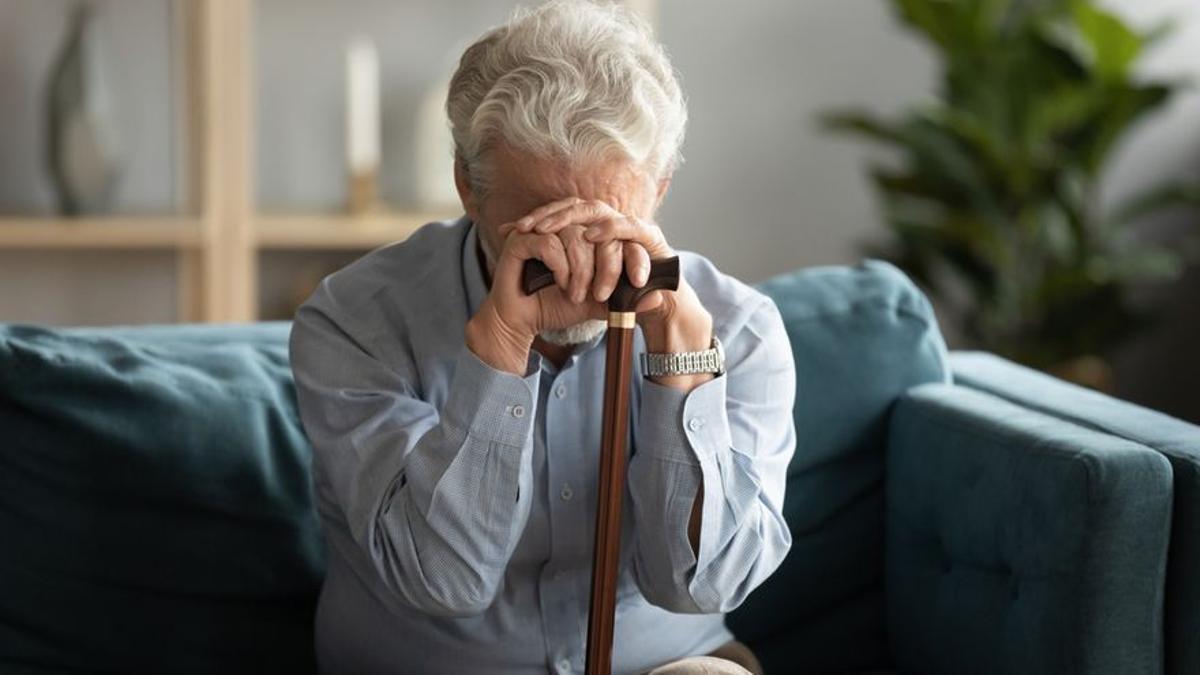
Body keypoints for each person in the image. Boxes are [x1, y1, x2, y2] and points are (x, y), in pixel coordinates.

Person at [288, 1, 796, 673]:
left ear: (661, 187)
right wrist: (499, 347)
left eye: (610, 222)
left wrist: (683, 366)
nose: (578, 268)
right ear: (468, 187)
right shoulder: (355, 322)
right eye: (541, 228)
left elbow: (704, 586)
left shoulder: (740, 327)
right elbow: (443, 578)